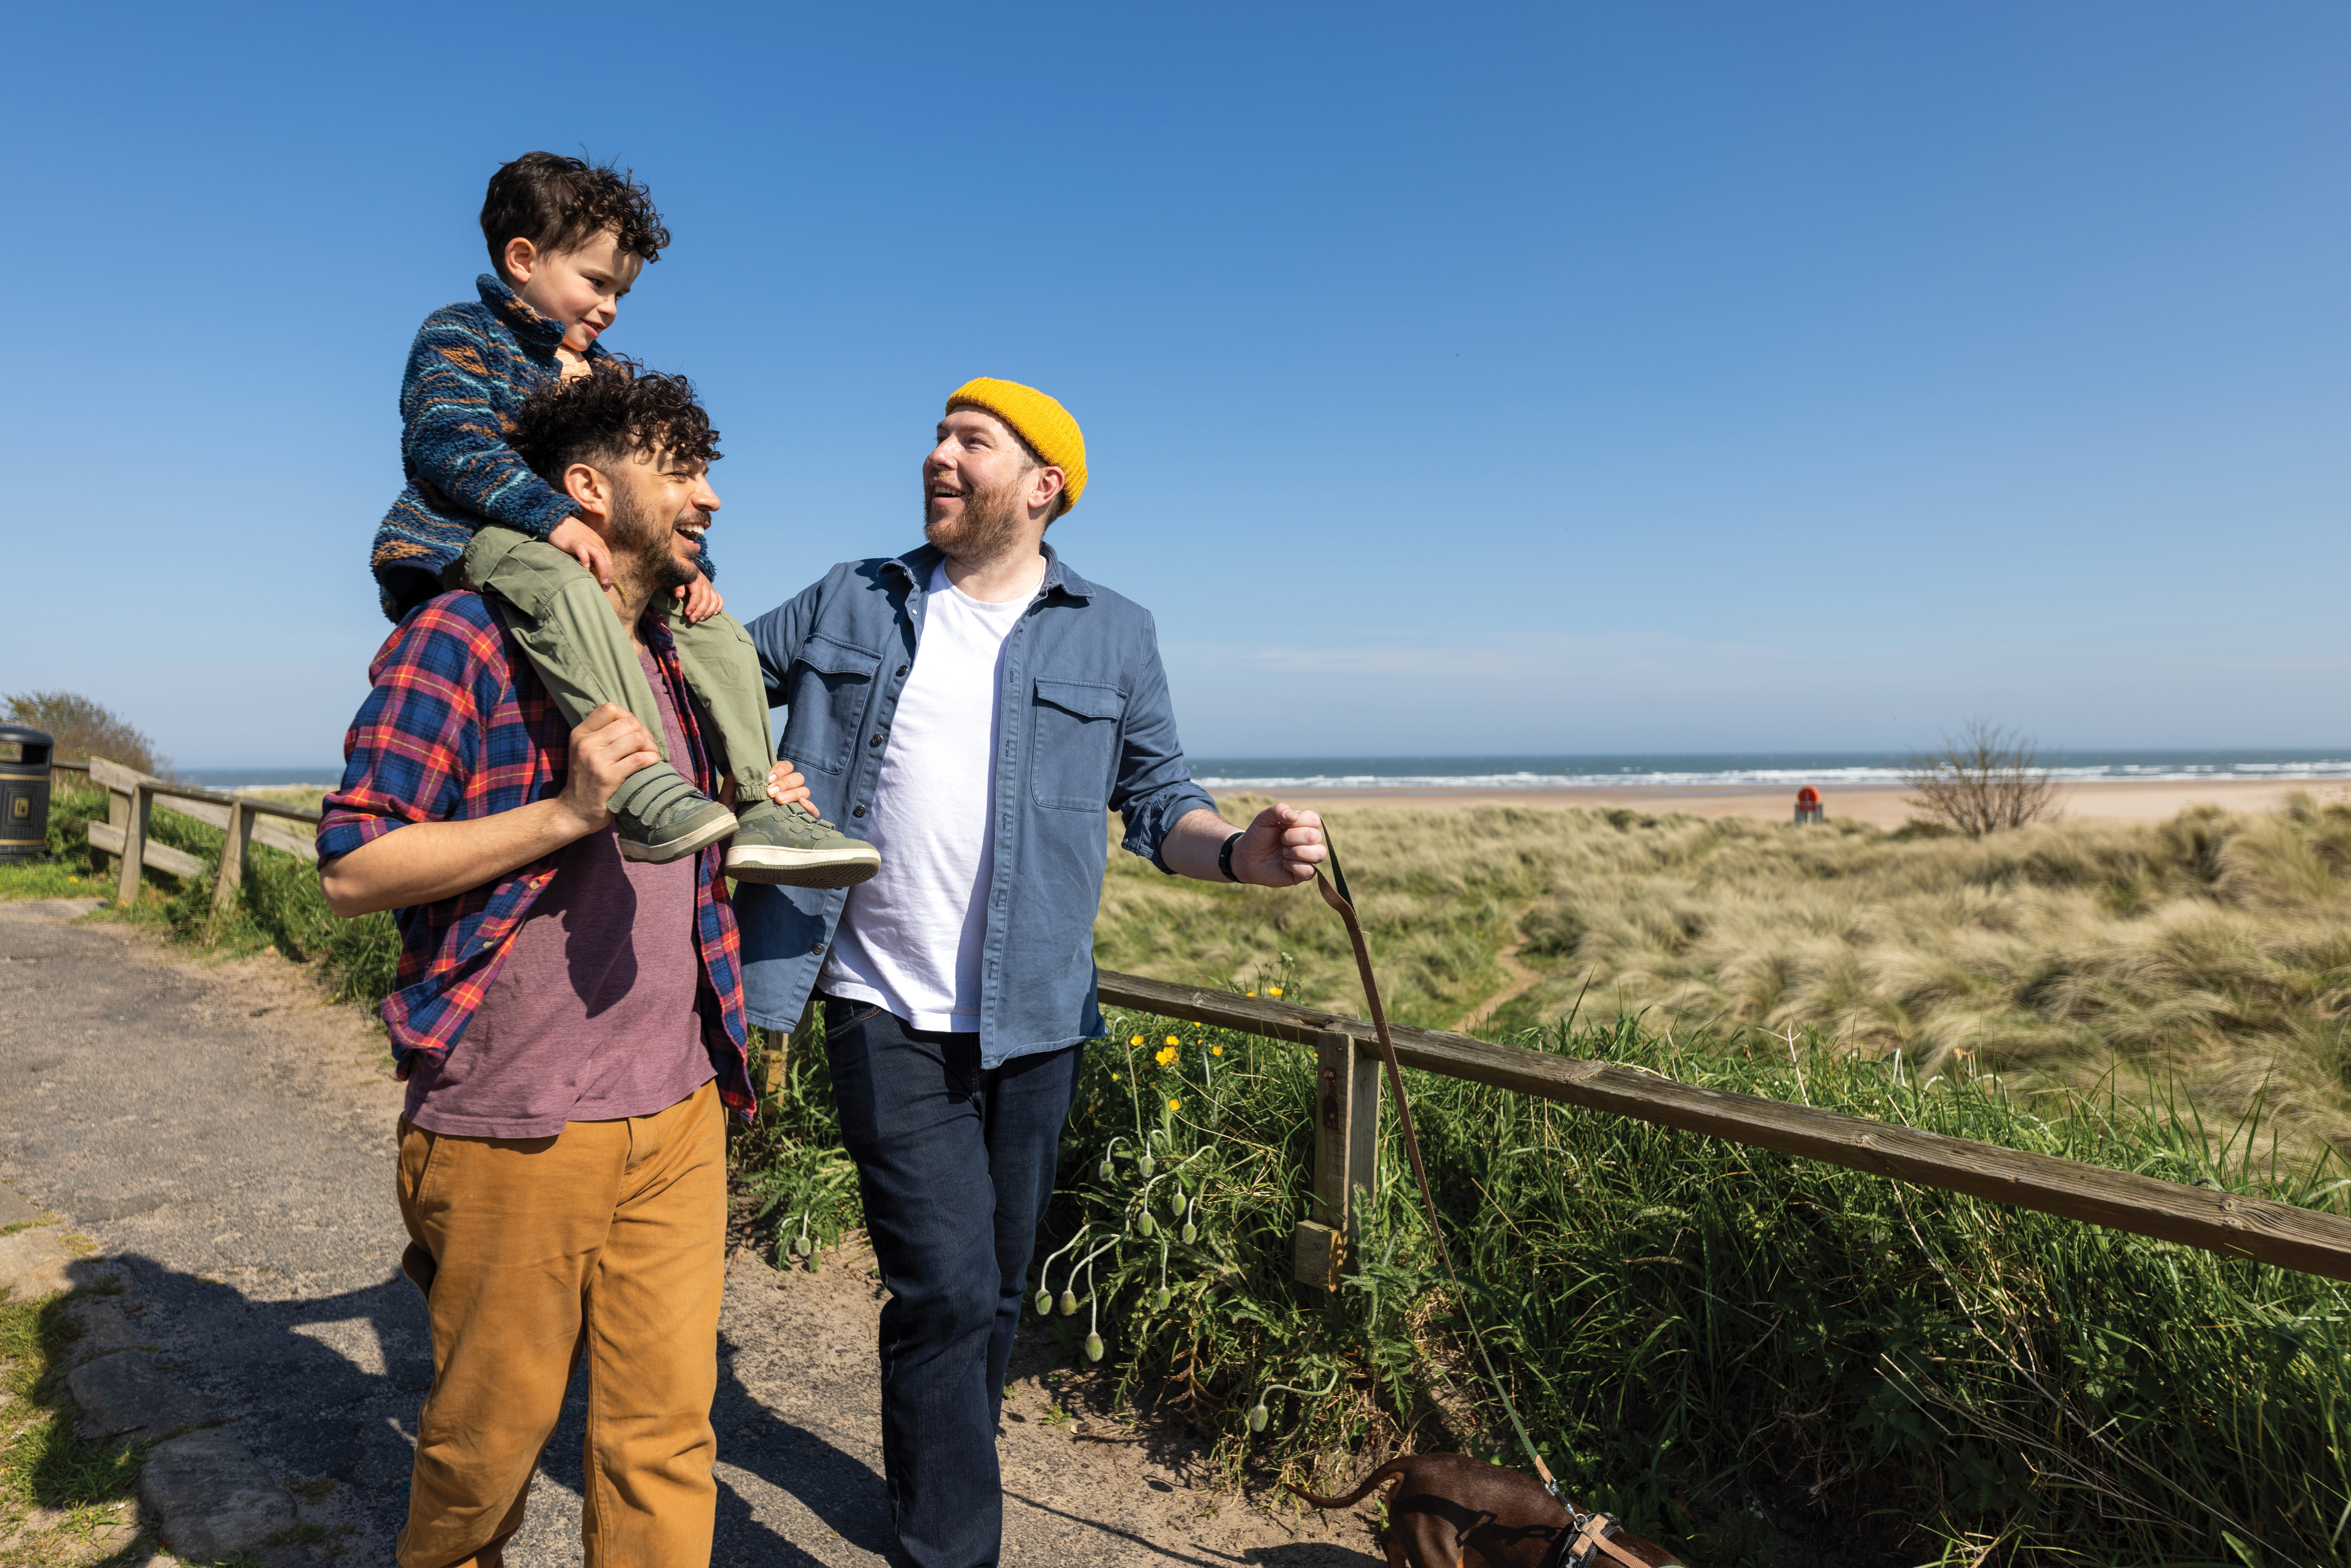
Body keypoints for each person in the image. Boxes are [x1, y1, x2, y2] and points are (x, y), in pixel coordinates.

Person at [736, 378, 1329, 1568]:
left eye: (972, 441)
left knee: (998, 1287)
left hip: (1036, 1017)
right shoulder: (852, 595)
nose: (938, 455)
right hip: (875, 999)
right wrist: (748, 772)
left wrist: (1241, 855)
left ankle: (935, 1480)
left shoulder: (1115, 631)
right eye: (937, 436)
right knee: (947, 1287)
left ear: (1042, 486)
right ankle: (952, 1547)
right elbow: (700, 682)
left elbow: (1158, 799)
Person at [321, 365, 796, 1568]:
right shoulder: (464, 636)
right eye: (678, 471)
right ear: (587, 487)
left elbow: (681, 876)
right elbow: (356, 866)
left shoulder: (679, 661)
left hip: (682, 1108)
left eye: (708, 473)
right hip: (511, 1120)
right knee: (485, 1448)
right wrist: (568, 812)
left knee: (664, 1443)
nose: (708, 499)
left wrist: (759, 806)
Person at [367, 150, 874, 886]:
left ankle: (759, 800)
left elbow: (641, 495)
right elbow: (448, 440)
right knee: (561, 583)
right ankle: (643, 784)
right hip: (469, 536)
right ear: (523, 259)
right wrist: (552, 516)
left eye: (621, 292)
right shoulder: (462, 334)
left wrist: (688, 571)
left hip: (578, 548)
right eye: (596, 282)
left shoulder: (606, 372)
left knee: (719, 634)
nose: (609, 307)